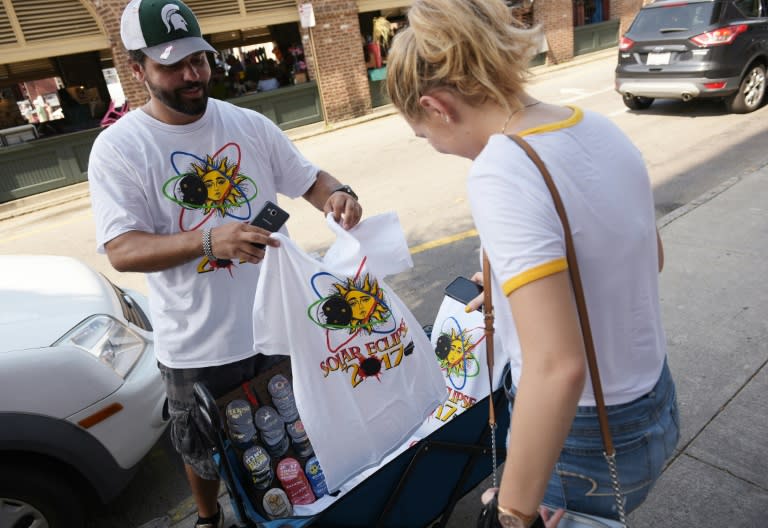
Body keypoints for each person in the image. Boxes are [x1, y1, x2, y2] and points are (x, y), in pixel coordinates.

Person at [385, 1, 679, 527]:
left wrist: (512, 511)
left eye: (424, 135)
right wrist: (520, 289)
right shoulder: (596, 127)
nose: (434, 146)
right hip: (652, 409)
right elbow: (644, 256)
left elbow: (557, 367)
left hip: (586, 437)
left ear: (438, 107)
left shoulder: (500, 169)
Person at [87, 1, 362, 527]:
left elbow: (308, 178)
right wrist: (207, 240)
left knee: (294, 429)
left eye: (199, 59)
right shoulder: (119, 149)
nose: (192, 75)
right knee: (200, 447)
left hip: (277, 322)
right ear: (137, 67)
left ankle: (308, 506)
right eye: (172, 64)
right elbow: (122, 250)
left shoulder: (247, 123)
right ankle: (210, 518)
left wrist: (340, 195)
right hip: (197, 342)